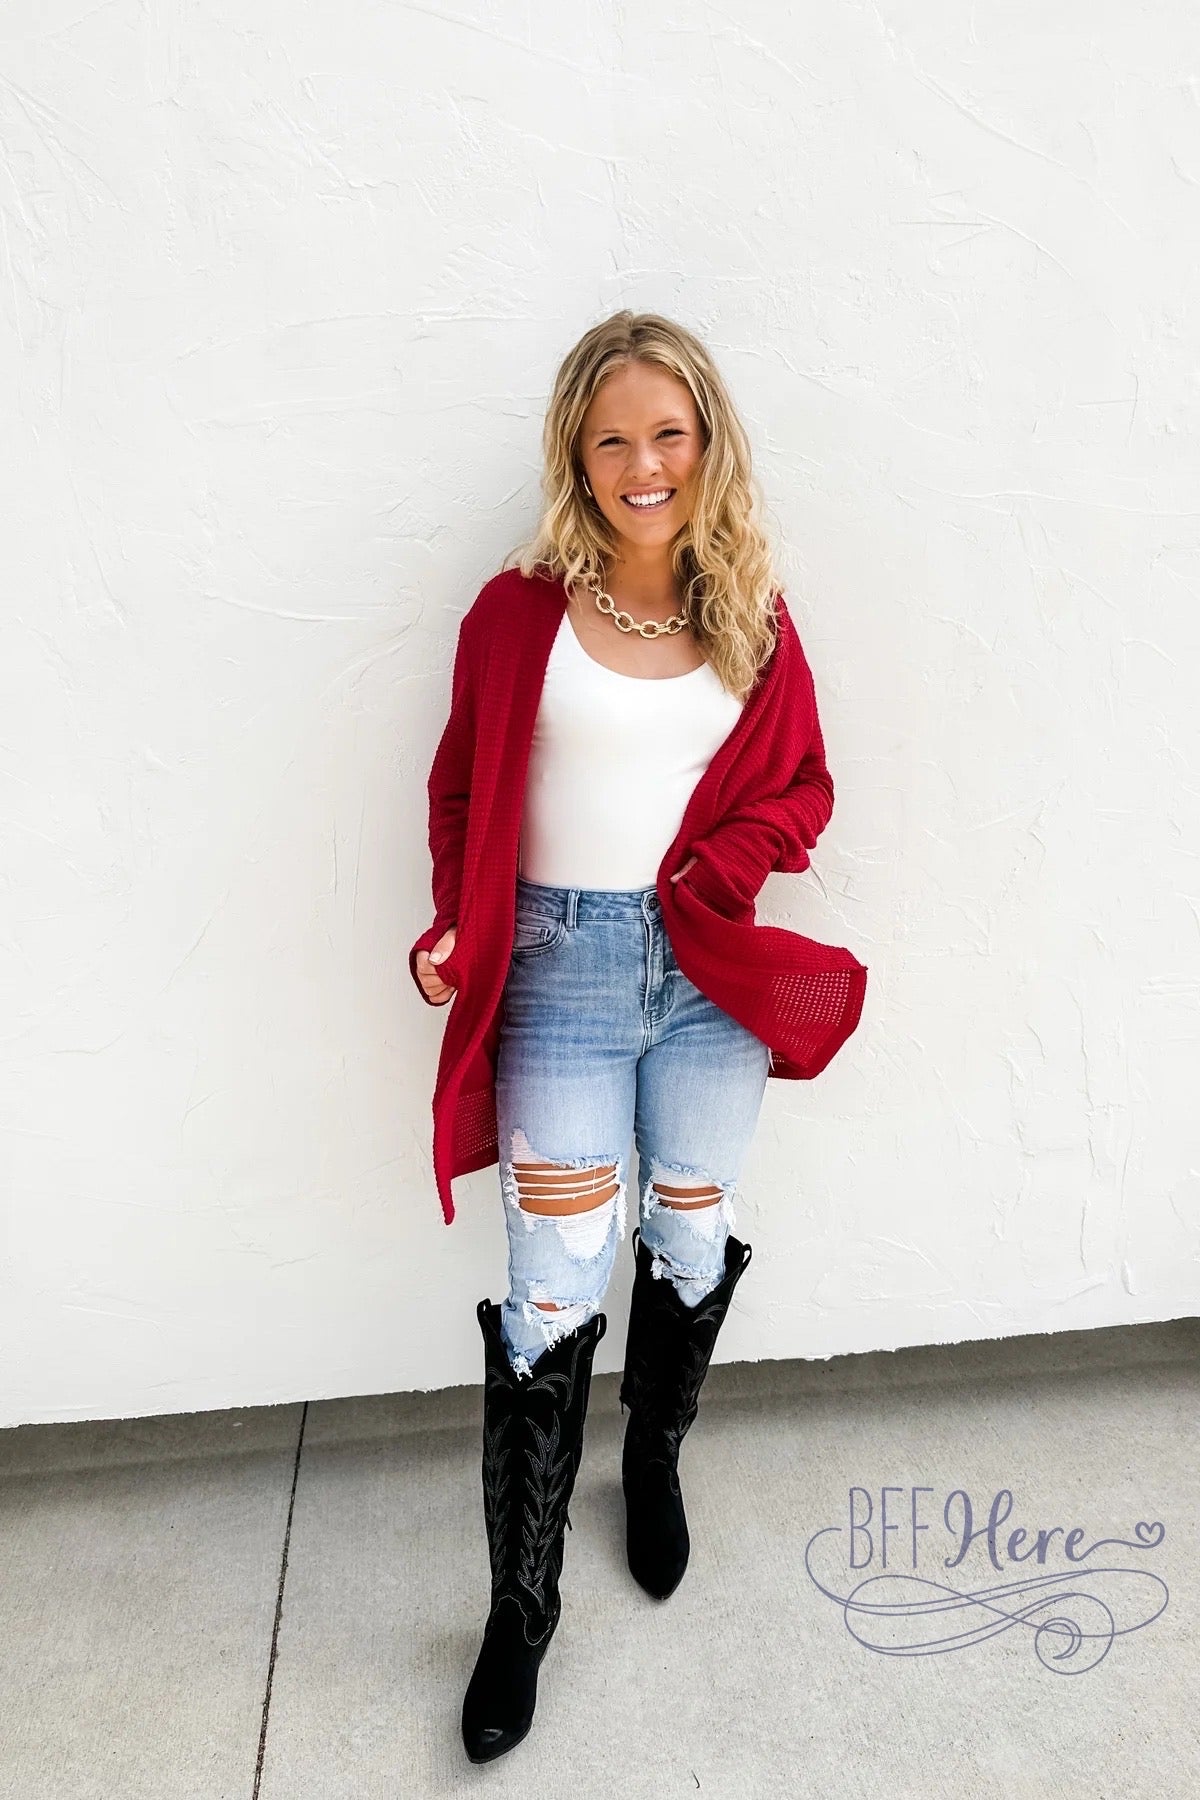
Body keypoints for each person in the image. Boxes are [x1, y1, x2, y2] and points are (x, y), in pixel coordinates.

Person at [411, 310, 865, 1764]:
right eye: (612, 439)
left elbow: (803, 785)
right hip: (561, 971)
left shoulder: (753, 616)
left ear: (707, 445)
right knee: (551, 1279)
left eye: (668, 433)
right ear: (577, 456)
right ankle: (520, 1606)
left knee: (690, 1228)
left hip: (707, 978)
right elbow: (464, 793)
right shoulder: (515, 615)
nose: (643, 463)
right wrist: (454, 925)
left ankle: (653, 1458)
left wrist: (726, 865)